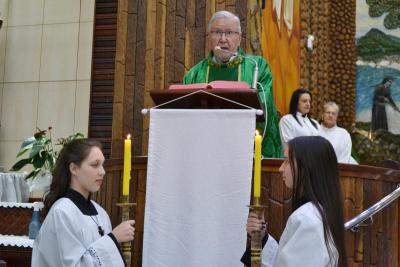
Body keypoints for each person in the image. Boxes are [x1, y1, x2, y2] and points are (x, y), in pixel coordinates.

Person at [183, 10, 282, 158]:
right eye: (217, 32)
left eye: (229, 33)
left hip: (246, 152)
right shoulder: (195, 74)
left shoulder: (256, 66)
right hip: (205, 152)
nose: (223, 39)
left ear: (239, 38)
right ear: (209, 37)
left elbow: (263, 105)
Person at [242, 136, 347, 267]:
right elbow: (287, 260)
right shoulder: (315, 214)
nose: (281, 168)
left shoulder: (308, 219)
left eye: (286, 161)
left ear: (306, 165)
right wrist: (262, 238)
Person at [32, 139, 135, 267]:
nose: (102, 171)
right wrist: (113, 239)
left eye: (102, 164)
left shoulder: (101, 212)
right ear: (74, 168)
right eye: (95, 165)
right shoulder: (62, 212)